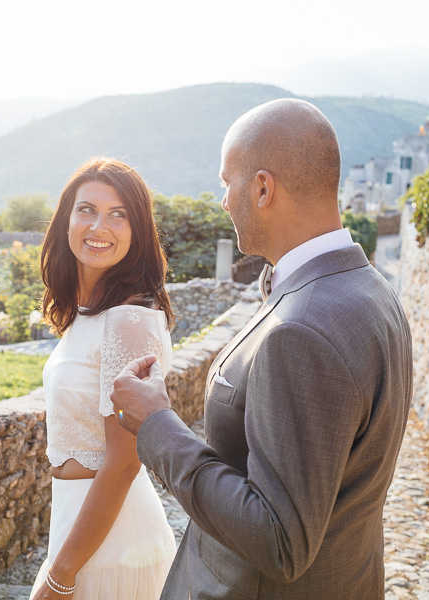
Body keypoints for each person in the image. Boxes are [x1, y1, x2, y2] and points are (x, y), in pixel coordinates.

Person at [111, 99, 413, 599]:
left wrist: (157, 426)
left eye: (227, 182)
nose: (223, 200)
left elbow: (280, 541)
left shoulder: (302, 331)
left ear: (263, 187)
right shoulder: (368, 289)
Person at [30, 157, 177, 599]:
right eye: (87, 209)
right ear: (66, 220)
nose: (99, 226)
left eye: (119, 214)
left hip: (116, 544)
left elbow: (126, 460)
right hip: (80, 524)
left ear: (138, 232)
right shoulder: (90, 313)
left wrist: (61, 576)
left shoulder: (129, 320)